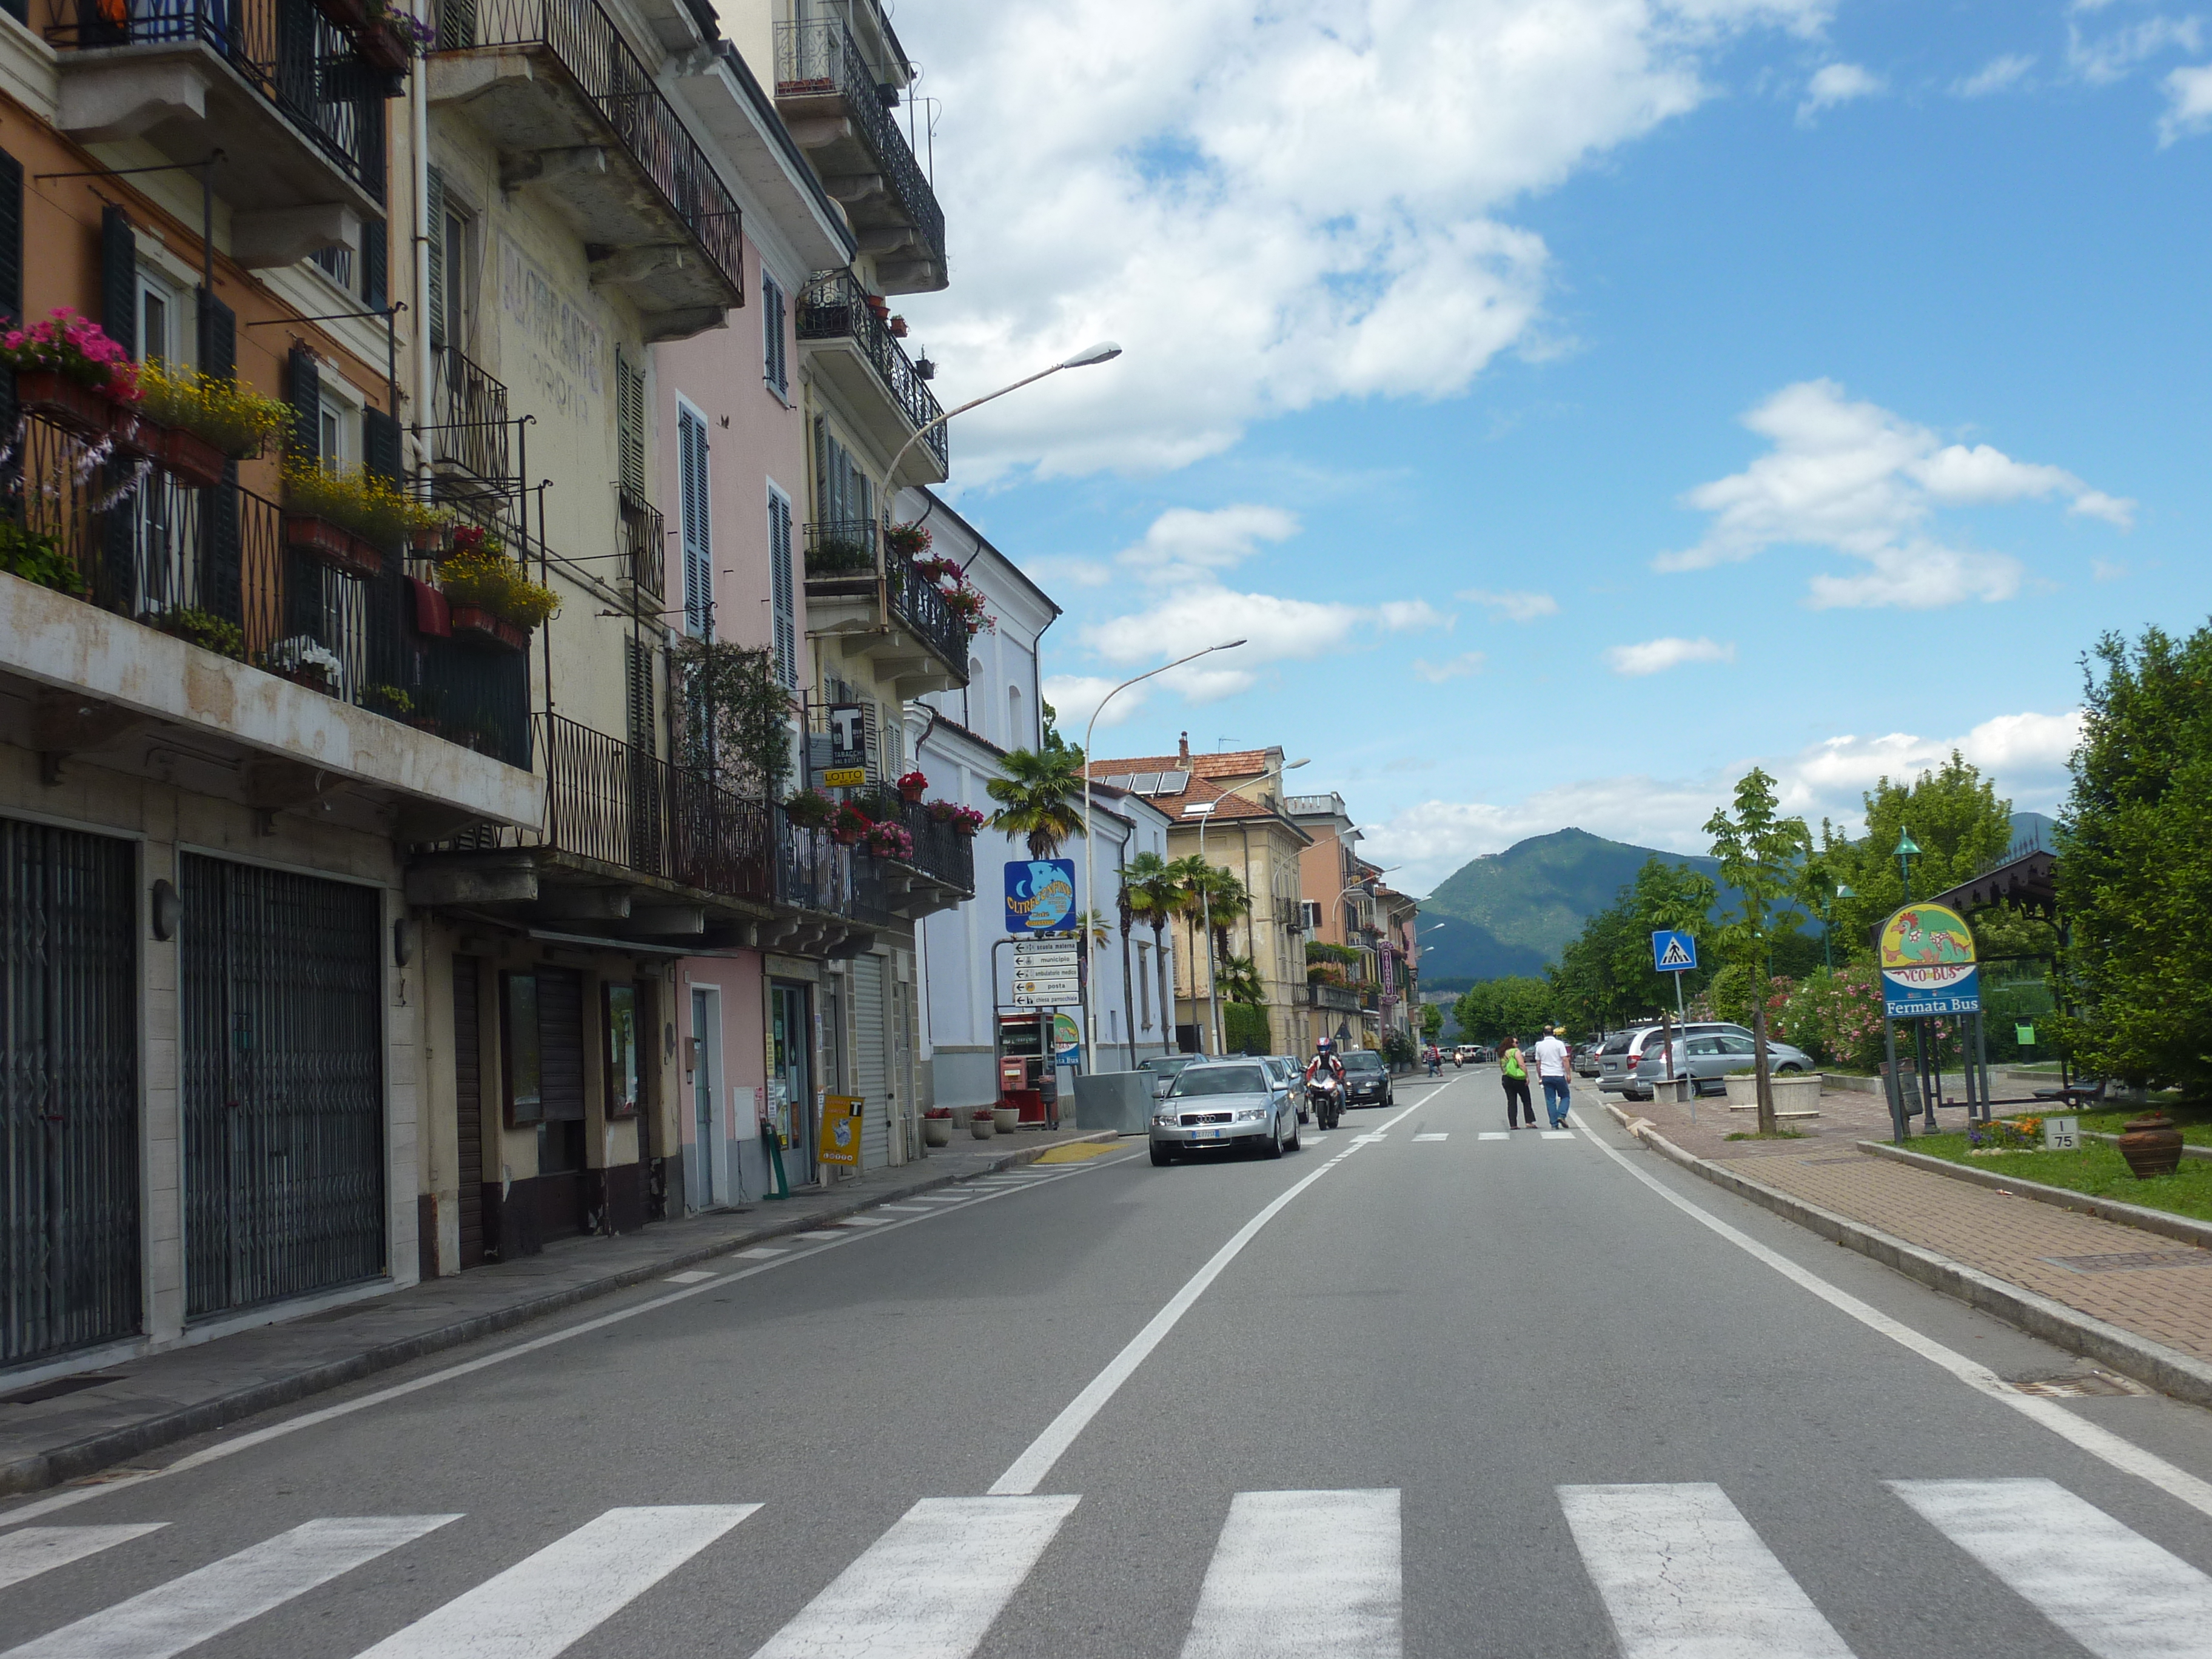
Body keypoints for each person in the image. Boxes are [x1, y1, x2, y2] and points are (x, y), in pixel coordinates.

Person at [1534, 1025, 1574, 1128]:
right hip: (1558, 1074)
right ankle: (1561, 1115)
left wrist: (1540, 1077)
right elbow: (1565, 1059)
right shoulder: (1559, 1044)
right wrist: (1568, 1074)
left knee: (1550, 1100)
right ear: (1554, 1033)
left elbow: (1538, 1063)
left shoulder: (1539, 1046)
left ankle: (1554, 1124)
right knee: (1565, 1096)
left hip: (1546, 1075)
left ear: (1543, 1034)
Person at [1498, 1036, 1535, 1128]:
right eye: (1516, 1043)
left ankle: (1513, 1124)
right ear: (1512, 1044)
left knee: (1511, 1101)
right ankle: (1529, 1121)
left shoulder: (1503, 1053)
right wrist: (1526, 1076)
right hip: (1518, 1079)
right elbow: (1522, 1064)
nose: (1518, 1045)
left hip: (1507, 1078)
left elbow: (1502, 1067)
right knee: (1526, 1100)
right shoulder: (1516, 1052)